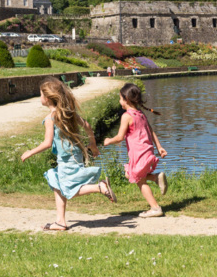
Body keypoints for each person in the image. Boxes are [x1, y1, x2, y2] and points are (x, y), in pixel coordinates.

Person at [21, 77, 116, 231]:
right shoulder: (68, 113)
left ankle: (99, 187)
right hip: (74, 154)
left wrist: (29, 152)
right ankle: (60, 221)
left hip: (66, 158)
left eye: (40, 94)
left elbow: (47, 143)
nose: (40, 97)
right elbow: (87, 126)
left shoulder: (50, 119)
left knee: (69, 188)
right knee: (56, 181)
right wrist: (92, 145)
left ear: (47, 97)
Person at [104, 83, 168, 217]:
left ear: (126, 99)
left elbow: (120, 137)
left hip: (139, 153)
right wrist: (159, 147)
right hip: (147, 151)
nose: (119, 101)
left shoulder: (127, 116)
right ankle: (156, 178)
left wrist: (109, 140)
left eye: (120, 98)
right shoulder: (141, 114)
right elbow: (151, 131)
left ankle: (155, 208)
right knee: (129, 174)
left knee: (139, 180)